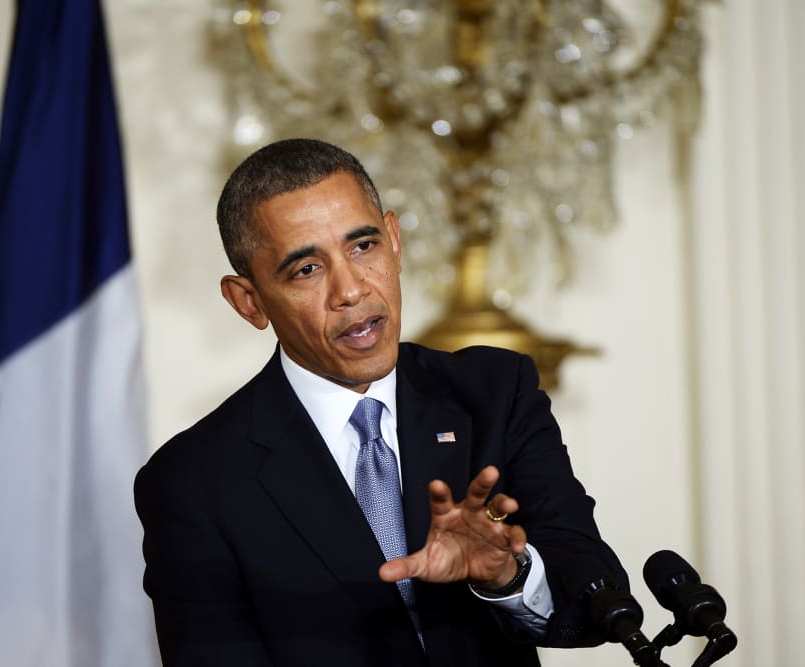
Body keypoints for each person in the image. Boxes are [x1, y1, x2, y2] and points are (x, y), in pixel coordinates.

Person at [134, 138, 629, 666]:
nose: (350, 290)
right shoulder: (193, 480)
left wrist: (509, 573)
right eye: (306, 269)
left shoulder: (493, 392)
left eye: (363, 246)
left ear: (394, 241)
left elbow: (597, 597)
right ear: (249, 301)